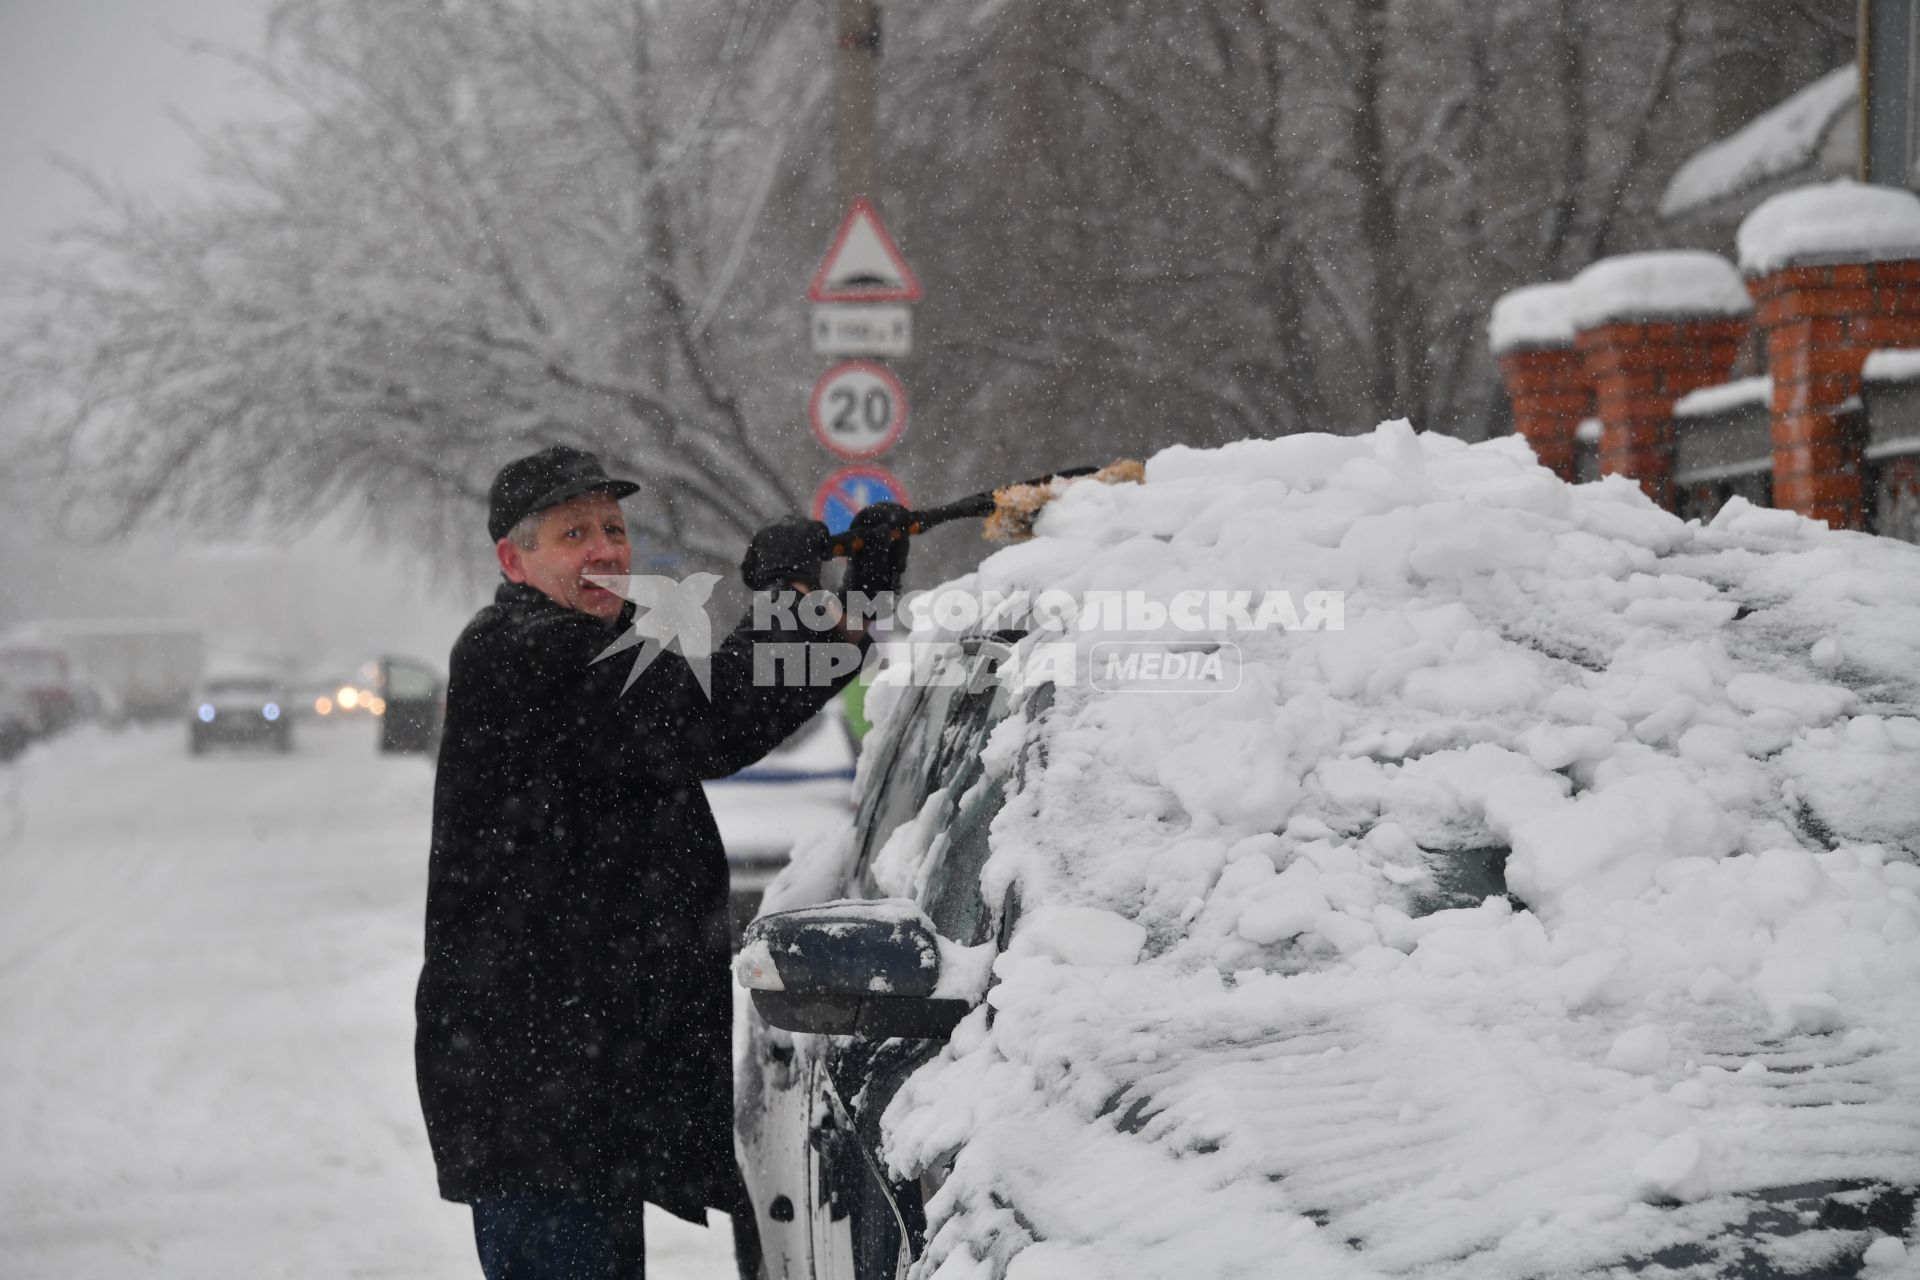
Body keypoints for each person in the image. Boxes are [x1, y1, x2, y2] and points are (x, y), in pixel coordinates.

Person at [415, 445, 909, 1280]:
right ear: (515, 559)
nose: (606, 549)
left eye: (613, 528)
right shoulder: (524, 652)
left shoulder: (575, 650)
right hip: (536, 1101)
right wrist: (791, 596)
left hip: (571, 1093)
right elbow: (707, 718)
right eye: (574, 533)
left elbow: (727, 703)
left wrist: (858, 607)